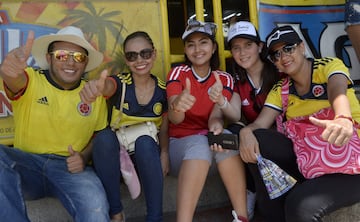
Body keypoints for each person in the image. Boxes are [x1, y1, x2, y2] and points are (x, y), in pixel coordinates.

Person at [238, 25, 360, 222]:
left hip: (351, 165)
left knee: (300, 205)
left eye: (288, 48)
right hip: (311, 161)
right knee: (258, 139)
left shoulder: (328, 66)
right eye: (276, 54)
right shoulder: (281, 89)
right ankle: (271, 214)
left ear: (302, 47)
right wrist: (245, 132)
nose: (283, 57)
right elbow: (260, 124)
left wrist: (342, 118)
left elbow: (337, 90)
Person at [0, 26, 110, 221]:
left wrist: (83, 157)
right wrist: (9, 73)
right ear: (49, 58)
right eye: (61, 55)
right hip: (27, 165)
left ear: (85, 63)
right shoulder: (32, 80)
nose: (70, 62)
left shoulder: (93, 93)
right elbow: (15, 80)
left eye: (78, 57)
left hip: (70, 170)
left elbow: (98, 135)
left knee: (96, 208)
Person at [80, 31, 169, 222]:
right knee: (103, 137)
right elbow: (108, 86)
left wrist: (164, 154)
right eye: (132, 56)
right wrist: (98, 87)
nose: (139, 60)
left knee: (146, 142)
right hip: (114, 161)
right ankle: (116, 213)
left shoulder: (163, 89)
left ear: (154, 54)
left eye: (145, 53)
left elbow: (165, 127)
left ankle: (155, 218)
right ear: (126, 60)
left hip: (145, 160)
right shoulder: (120, 83)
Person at [166, 18, 248, 222]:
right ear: (185, 50)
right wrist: (178, 105)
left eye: (203, 42)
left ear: (213, 48)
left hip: (211, 150)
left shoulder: (223, 78)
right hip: (181, 151)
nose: (197, 49)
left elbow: (216, 117)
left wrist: (216, 128)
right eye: (191, 44)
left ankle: (242, 217)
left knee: (225, 138)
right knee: (198, 144)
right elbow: (175, 120)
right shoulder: (178, 73)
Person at [224, 20, 281, 219]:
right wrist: (222, 103)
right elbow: (234, 112)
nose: (242, 52)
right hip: (256, 139)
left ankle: (260, 196)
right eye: (236, 48)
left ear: (260, 46)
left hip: (282, 139)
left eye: (248, 45)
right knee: (232, 132)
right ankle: (249, 194)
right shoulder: (238, 80)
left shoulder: (277, 72)